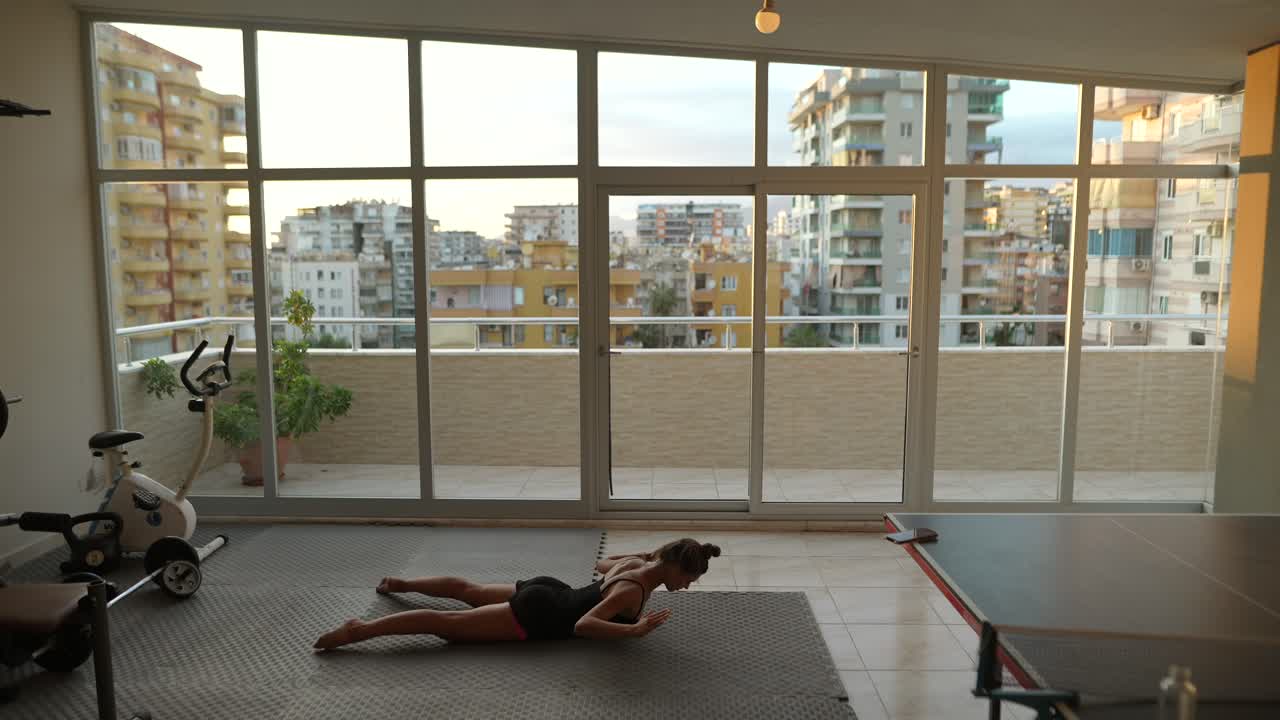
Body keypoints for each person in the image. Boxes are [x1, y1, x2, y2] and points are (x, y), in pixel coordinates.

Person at [313, 538, 721, 650]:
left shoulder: (636, 565)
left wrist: (644, 554)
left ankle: (400, 583)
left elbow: (601, 565)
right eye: (688, 578)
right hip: (540, 614)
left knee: (467, 590)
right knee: (447, 626)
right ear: (674, 567)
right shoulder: (633, 591)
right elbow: (584, 625)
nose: (687, 586)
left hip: (552, 589)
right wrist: (633, 632)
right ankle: (358, 630)